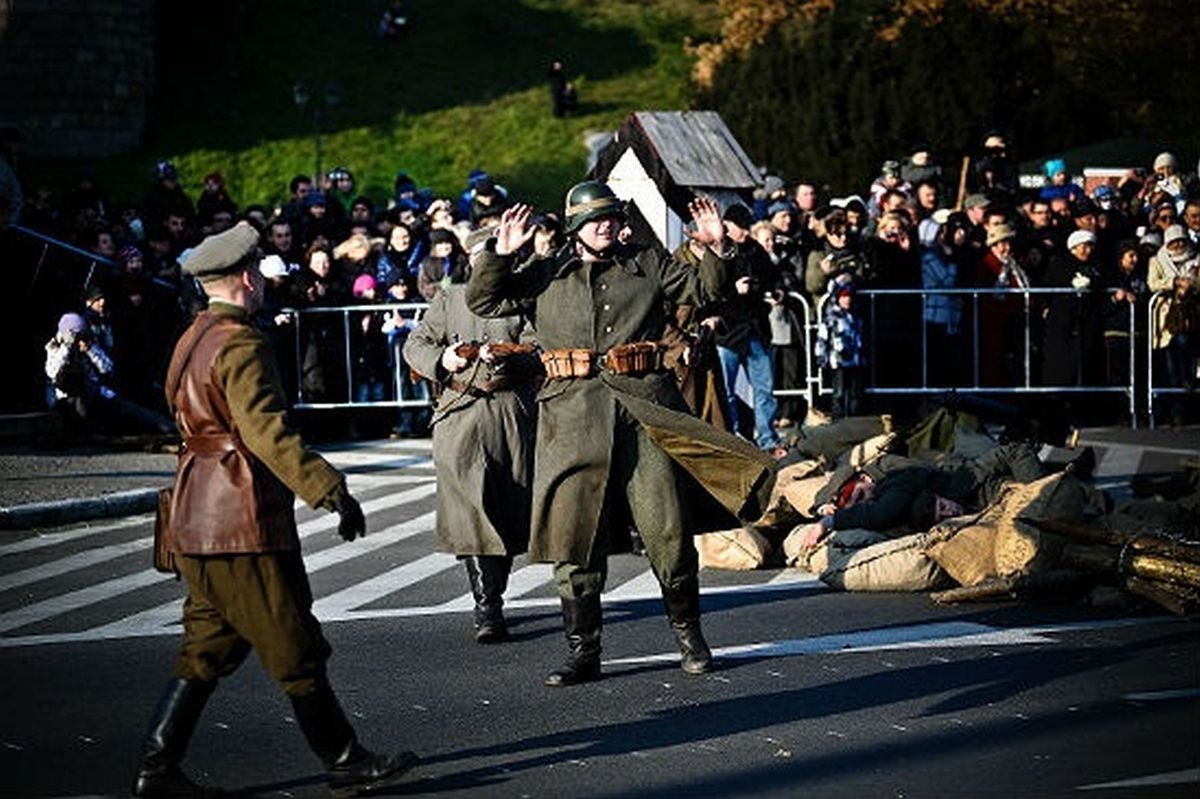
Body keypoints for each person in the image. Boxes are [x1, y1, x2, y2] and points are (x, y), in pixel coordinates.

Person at [131, 222, 416, 797]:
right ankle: (343, 759)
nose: (263, 278)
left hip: (195, 511)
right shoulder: (239, 342)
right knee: (294, 644)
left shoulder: (194, 336)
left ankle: (156, 771)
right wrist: (329, 487)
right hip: (239, 519)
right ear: (243, 278)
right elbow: (266, 431)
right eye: (258, 269)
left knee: (208, 644)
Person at [466, 183, 775, 686]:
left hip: (645, 412)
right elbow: (483, 301)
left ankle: (690, 637)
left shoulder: (647, 263)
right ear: (574, 228)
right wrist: (501, 253)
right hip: (571, 418)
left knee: (668, 531)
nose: (605, 225)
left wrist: (716, 246)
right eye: (594, 219)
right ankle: (583, 652)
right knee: (573, 538)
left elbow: (704, 292)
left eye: (610, 216)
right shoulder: (547, 274)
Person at [403, 279, 538, 643]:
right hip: (458, 411)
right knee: (469, 509)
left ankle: (494, 590)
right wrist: (442, 359)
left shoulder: (521, 295)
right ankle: (487, 606)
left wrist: (510, 354)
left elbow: (541, 345)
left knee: (507, 508)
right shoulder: (450, 298)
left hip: (510, 412)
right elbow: (416, 343)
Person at [815, 282, 866, 418]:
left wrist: (862, 356)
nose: (847, 300)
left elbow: (860, 339)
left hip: (855, 361)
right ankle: (839, 419)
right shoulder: (831, 318)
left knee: (855, 392)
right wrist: (821, 357)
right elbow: (822, 338)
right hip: (838, 361)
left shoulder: (856, 317)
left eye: (849, 296)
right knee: (839, 392)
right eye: (843, 296)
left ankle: (854, 418)